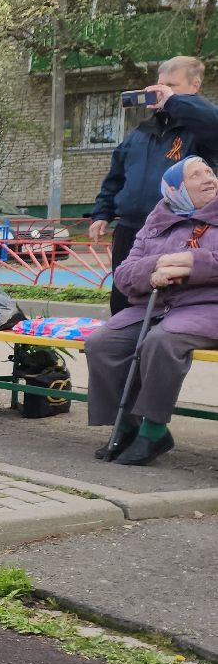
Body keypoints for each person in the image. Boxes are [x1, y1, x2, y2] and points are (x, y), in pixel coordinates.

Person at [84, 156, 218, 467]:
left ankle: (154, 430)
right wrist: (155, 268)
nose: (209, 179)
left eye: (210, 172)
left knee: (161, 342)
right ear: (175, 189)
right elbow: (124, 273)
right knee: (102, 343)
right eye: (196, 175)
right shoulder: (156, 221)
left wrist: (192, 264)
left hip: (207, 306)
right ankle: (127, 426)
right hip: (154, 306)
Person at [89, 56, 218, 314]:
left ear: (194, 86)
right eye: (160, 84)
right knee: (123, 298)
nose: (161, 91)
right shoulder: (141, 132)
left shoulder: (201, 129)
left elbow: (212, 121)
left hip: (177, 228)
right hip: (131, 228)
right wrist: (102, 212)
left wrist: (173, 101)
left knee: (166, 301)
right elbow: (116, 176)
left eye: (171, 85)